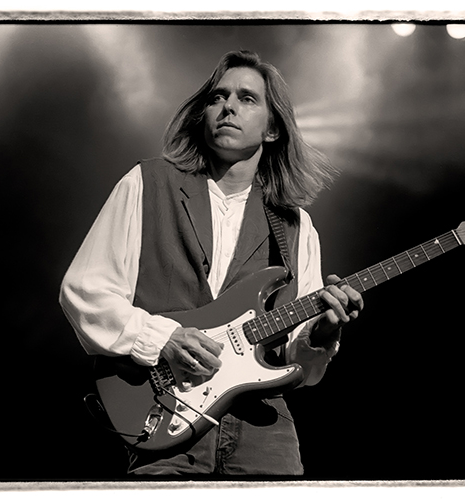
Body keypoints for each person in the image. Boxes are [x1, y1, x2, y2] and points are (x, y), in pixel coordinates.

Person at [59, 50, 363, 476]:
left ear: (273, 129)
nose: (228, 107)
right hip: (164, 409)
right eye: (218, 97)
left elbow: (297, 359)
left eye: (247, 98)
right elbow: (85, 291)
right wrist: (162, 338)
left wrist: (324, 330)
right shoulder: (147, 183)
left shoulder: (295, 226)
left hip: (261, 427)